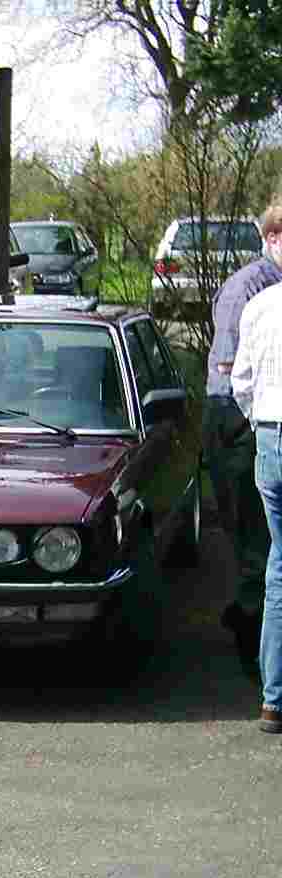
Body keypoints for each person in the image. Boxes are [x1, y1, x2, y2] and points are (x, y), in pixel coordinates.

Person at [207, 201, 282, 677]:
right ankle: (252, 642)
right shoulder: (249, 288)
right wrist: (258, 423)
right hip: (236, 419)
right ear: (272, 238)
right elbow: (231, 369)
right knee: (258, 542)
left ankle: (252, 624)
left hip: (255, 420)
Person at [230, 206, 282, 732]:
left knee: (278, 566)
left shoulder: (260, 306)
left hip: (269, 436)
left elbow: (240, 381)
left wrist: (260, 421)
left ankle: (274, 699)